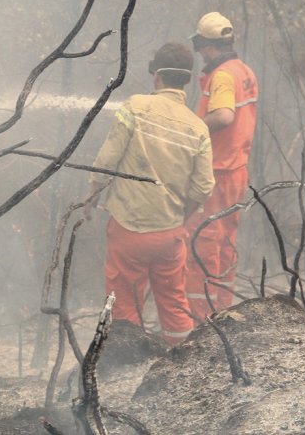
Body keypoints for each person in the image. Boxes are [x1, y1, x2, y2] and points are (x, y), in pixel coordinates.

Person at [85, 42, 215, 345]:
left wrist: (91, 195)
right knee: (174, 304)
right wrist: (180, 219)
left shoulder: (136, 107)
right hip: (169, 235)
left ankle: (128, 361)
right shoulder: (197, 127)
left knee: (124, 304)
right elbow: (203, 186)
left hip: (128, 230)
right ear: (187, 80)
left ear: (156, 75)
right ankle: (182, 361)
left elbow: (107, 160)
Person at [184, 12, 258, 319]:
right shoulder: (244, 71)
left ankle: (201, 317)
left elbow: (224, 116)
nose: (200, 52)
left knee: (202, 242)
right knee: (225, 241)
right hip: (236, 171)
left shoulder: (223, 76)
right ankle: (223, 310)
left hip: (216, 172)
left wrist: (191, 128)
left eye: (201, 45)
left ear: (207, 44)